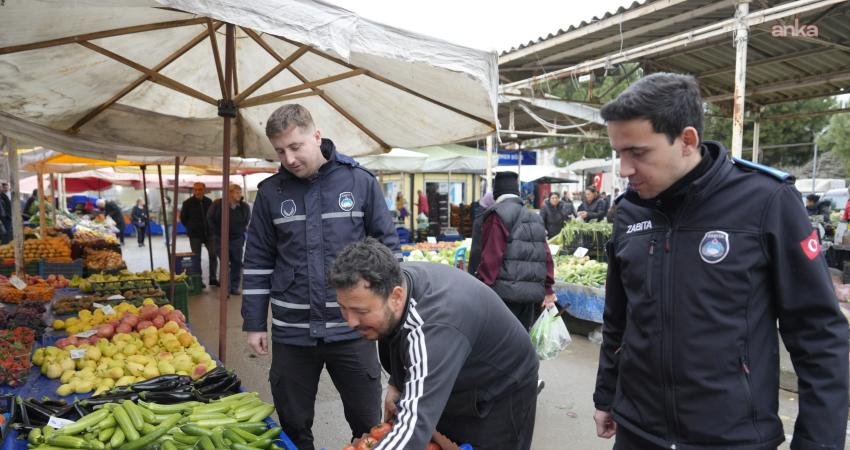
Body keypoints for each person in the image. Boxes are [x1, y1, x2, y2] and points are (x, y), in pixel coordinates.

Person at [593, 72, 848, 449]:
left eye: (638, 152)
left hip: (731, 437)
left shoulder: (766, 201)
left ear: (687, 140)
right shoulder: (629, 212)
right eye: (619, 154)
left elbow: (819, 334)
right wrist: (606, 395)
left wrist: (817, 443)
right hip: (638, 431)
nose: (625, 170)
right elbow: (619, 317)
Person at [241, 104, 400, 450]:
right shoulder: (270, 194)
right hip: (292, 334)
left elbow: (389, 253)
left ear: (316, 136)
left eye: (296, 147)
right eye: (280, 151)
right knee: (294, 426)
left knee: (367, 425)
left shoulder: (359, 182)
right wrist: (254, 323)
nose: (289, 158)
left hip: (353, 329)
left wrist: (390, 315)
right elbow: (257, 261)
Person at [329, 238, 539, 450]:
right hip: (455, 371)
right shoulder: (391, 281)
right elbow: (401, 331)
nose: (350, 321)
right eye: (343, 308)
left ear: (396, 297)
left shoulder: (436, 326)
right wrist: (397, 382)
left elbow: (412, 429)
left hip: (502, 386)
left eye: (361, 312)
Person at [468, 171, 556, 331]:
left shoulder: (496, 215)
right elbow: (546, 256)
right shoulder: (535, 217)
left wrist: (481, 288)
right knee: (522, 341)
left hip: (505, 295)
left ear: (496, 193)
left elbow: (491, 257)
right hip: (531, 297)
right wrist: (548, 288)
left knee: (503, 345)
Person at [208, 184, 250, 296]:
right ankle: (225, 290)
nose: (239, 195)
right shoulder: (217, 204)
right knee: (225, 263)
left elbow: (247, 219)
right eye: (237, 192)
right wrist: (216, 231)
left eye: (240, 192)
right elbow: (210, 218)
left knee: (237, 263)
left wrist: (239, 230)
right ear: (229, 193)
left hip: (237, 239)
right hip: (221, 239)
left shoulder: (244, 206)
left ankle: (234, 287)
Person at [181, 182, 217, 287]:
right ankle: (199, 281)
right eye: (195, 189)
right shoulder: (187, 203)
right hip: (195, 235)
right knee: (196, 258)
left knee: (213, 254)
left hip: (209, 234)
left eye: (200, 189)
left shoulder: (209, 202)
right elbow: (183, 218)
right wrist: (191, 227)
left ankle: (213, 278)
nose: (197, 191)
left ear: (204, 190)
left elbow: (213, 216)